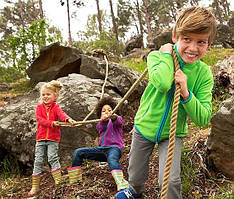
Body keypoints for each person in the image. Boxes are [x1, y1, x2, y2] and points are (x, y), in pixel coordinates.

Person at [115, 6, 216, 199]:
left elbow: (203, 118)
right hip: (144, 127)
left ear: (209, 45)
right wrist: (166, 55)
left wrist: (186, 93)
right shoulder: (156, 57)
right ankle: (134, 191)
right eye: (187, 39)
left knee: (170, 181)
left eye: (201, 42)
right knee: (135, 173)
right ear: (175, 36)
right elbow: (162, 83)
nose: (193, 48)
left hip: (172, 133)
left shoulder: (204, 74)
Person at [67, 96, 129, 191]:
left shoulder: (117, 121)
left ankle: (121, 183)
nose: (107, 112)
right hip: (102, 150)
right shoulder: (100, 124)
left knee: (112, 159)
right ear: (100, 114)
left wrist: (113, 116)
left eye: (109, 110)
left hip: (114, 148)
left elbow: (118, 120)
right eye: (103, 111)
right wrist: (103, 120)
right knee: (78, 152)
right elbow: (101, 128)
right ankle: (74, 182)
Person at [28, 80, 75, 197]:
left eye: (48, 94)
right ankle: (35, 186)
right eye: (43, 94)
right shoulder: (39, 108)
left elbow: (62, 114)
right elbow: (40, 120)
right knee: (38, 160)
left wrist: (68, 120)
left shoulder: (56, 108)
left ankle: (58, 181)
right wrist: (52, 123)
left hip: (53, 139)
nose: (45, 96)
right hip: (41, 139)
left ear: (55, 96)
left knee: (53, 158)